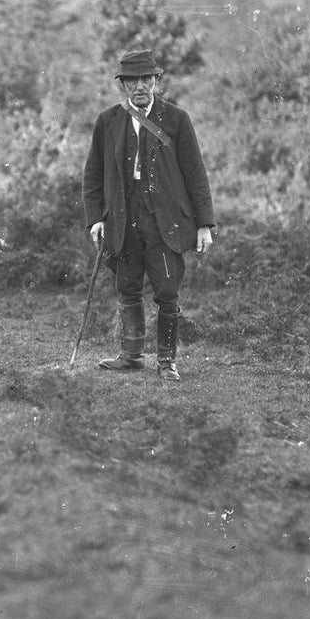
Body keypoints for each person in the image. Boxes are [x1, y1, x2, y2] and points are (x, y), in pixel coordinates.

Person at [82, 50, 216, 382]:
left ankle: (167, 361)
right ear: (122, 84)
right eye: (132, 80)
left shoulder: (176, 119)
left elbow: (195, 174)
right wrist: (96, 219)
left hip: (164, 220)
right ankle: (131, 355)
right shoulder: (108, 120)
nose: (139, 86)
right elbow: (93, 175)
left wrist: (204, 224)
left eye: (146, 79)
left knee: (167, 290)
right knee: (127, 286)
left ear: (156, 80)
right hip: (123, 219)